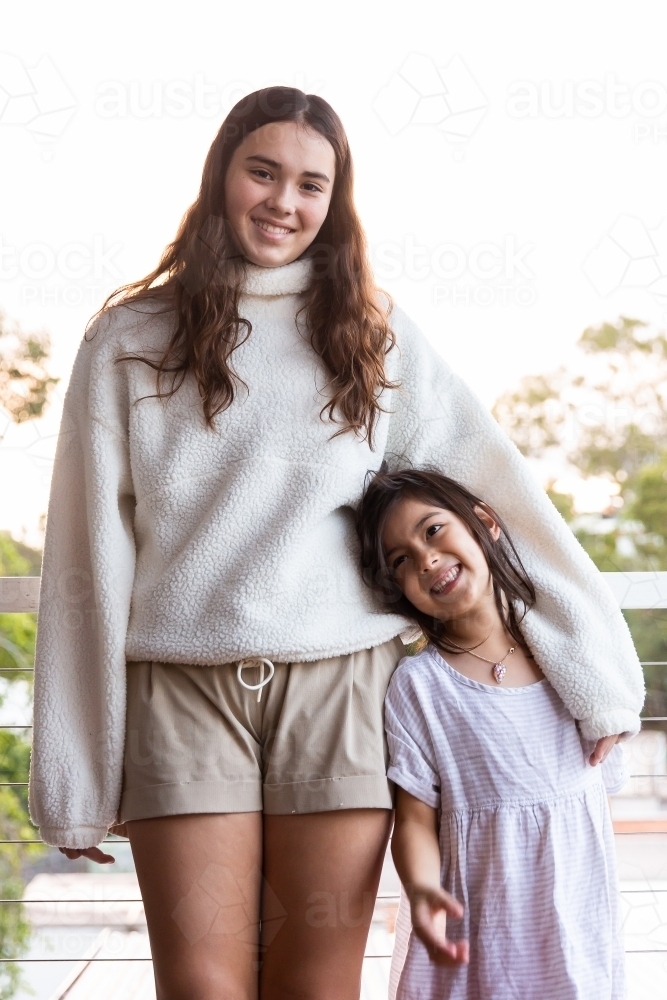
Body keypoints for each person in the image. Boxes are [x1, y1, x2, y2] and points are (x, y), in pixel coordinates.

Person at [29, 87, 643, 1000]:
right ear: (220, 176)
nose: (284, 202)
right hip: (182, 693)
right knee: (200, 986)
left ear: (335, 201)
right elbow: (85, 558)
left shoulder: (371, 329)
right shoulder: (128, 340)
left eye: (311, 184)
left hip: (342, 689)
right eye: (263, 172)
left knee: (317, 986)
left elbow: (492, 491)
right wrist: (75, 770)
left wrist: (592, 664)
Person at [356, 468, 630, 1000]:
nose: (427, 559)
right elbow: (414, 820)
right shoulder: (421, 686)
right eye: (402, 560)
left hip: (578, 934)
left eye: (432, 531)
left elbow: (609, 731)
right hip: (479, 941)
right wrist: (423, 890)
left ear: (485, 522)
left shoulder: (573, 662)